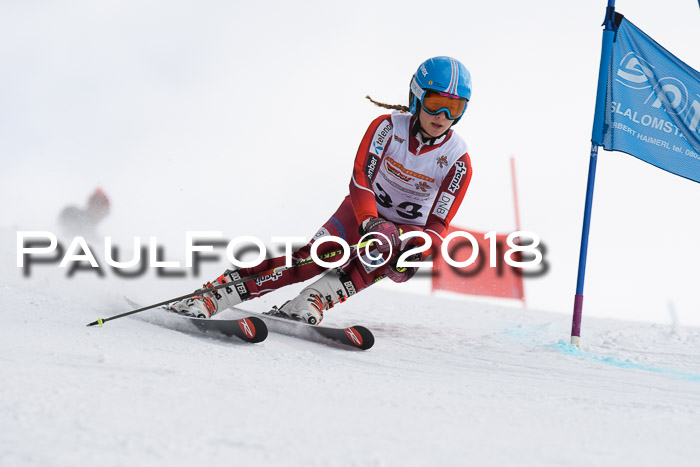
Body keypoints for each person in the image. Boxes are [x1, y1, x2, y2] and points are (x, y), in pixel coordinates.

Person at [171, 56, 473, 324]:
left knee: (386, 256)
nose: (443, 116)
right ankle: (215, 294)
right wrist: (371, 221)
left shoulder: (458, 160)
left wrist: (418, 249)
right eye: (435, 104)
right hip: (362, 213)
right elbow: (360, 180)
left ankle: (313, 299)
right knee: (311, 260)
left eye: (454, 108)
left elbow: (438, 224)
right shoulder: (387, 128)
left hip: (403, 228)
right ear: (417, 98)